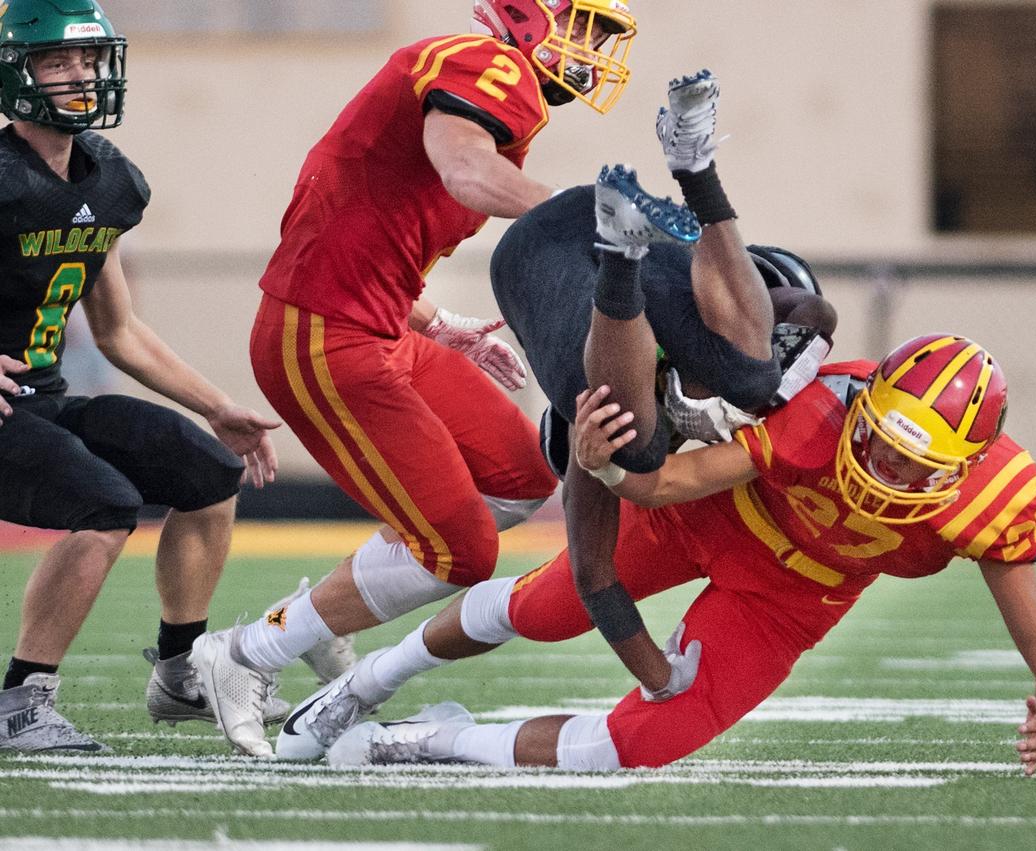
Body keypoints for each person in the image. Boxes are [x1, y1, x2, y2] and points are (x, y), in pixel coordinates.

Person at [272, 73, 840, 761]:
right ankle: (367, 681)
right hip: (580, 268)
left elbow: (817, 330)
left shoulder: (802, 390)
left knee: (721, 392)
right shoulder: (658, 407)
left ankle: (392, 708)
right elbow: (598, 570)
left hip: (619, 270)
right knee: (669, 425)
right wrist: (658, 675)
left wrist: (664, 684)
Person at [190, 0, 640, 757]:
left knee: (522, 472)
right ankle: (242, 655)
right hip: (324, 334)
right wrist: (592, 217)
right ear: (531, 14)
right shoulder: (488, 64)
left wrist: (430, 318)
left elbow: (368, 213)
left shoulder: (500, 95)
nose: (593, 49)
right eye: (585, 25)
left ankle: (308, 620)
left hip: (381, 325)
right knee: (462, 551)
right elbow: (463, 170)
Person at [325, 332, 1036, 778]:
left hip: (790, 600)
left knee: (642, 744)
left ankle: (429, 739)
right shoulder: (818, 411)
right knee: (547, 607)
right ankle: (369, 677)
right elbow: (669, 483)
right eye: (878, 436)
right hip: (712, 520)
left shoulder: (992, 503)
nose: (880, 464)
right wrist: (608, 467)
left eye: (909, 463)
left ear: (962, 467)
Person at [0, 0, 281, 752]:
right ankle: (22, 702)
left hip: (40, 401)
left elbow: (118, 329)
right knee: (106, 503)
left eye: (88, 60)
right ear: (16, 71)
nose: (80, 76)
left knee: (208, 470)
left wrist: (219, 404)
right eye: (58, 61)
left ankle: (182, 670)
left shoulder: (109, 179)